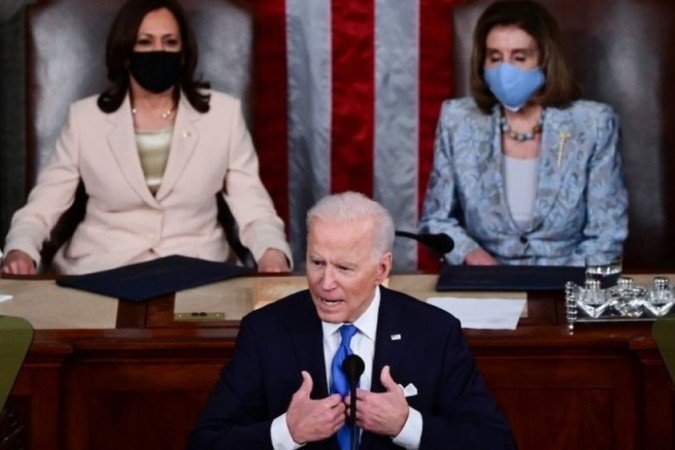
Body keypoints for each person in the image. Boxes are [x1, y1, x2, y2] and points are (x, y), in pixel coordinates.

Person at [187, 192, 514, 450]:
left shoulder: (433, 333)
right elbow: (205, 442)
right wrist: (286, 431)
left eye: (344, 268)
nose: (325, 282)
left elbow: (496, 442)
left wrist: (407, 425)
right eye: (317, 262)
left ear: (381, 269)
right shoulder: (265, 332)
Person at [1, 0, 291, 275]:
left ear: (183, 53)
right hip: (100, 268)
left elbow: (254, 208)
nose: (158, 51)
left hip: (198, 268)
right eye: (145, 42)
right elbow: (42, 208)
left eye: (170, 42)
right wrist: (20, 251)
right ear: (126, 53)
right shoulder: (85, 118)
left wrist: (272, 251)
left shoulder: (223, 115)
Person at [419, 0, 628, 266]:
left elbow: (606, 234)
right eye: (495, 58)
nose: (505, 70)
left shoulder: (593, 124)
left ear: (545, 60)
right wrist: (473, 257)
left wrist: (560, 283)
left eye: (519, 57)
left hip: (567, 280)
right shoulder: (457, 120)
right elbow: (436, 221)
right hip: (486, 280)